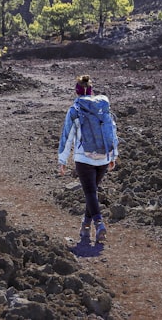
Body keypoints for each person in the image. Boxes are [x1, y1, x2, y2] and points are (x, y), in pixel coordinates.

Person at [58, 90, 118, 244]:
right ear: (91, 92)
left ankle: (99, 224)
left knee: (90, 192)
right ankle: (85, 225)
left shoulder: (76, 110)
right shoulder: (102, 109)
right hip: (103, 158)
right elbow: (112, 131)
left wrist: (62, 160)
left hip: (84, 158)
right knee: (92, 193)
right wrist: (113, 156)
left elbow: (67, 135)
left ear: (77, 91)